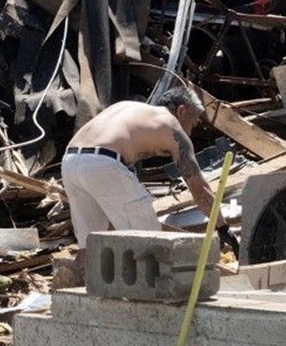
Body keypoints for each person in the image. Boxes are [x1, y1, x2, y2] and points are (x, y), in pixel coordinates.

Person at [60, 86, 237, 273]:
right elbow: (200, 189)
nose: (191, 132)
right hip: (104, 163)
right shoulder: (173, 127)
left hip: (71, 161)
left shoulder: (128, 108)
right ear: (182, 111)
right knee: (151, 244)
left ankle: (81, 296)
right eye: (192, 124)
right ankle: (152, 300)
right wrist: (223, 228)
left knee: (91, 248)